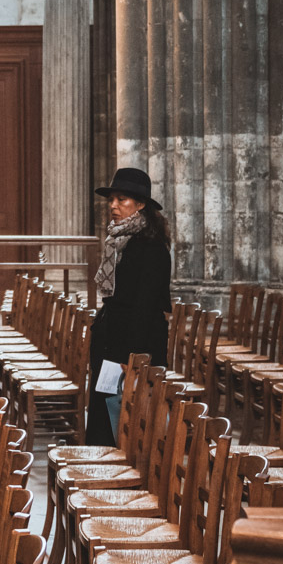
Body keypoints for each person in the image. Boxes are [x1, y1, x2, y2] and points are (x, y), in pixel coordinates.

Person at [86, 167, 172, 445]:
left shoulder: (151, 246)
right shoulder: (118, 241)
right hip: (112, 341)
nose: (113, 206)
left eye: (122, 200)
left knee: (131, 423)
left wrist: (133, 357)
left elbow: (145, 306)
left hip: (134, 347)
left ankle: (126, 479)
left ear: (141, 204)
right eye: (112, 199)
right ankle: (101, 472)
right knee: (105, 413)